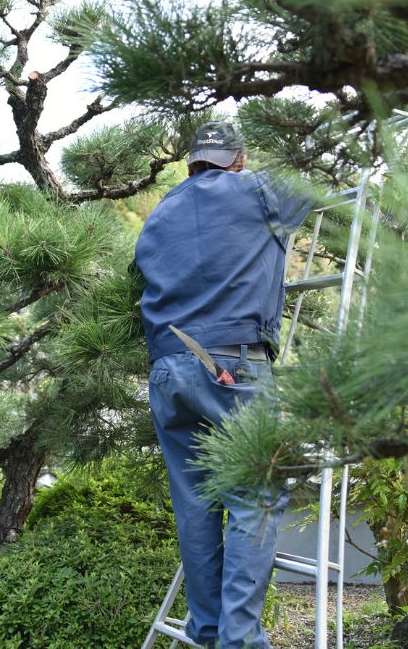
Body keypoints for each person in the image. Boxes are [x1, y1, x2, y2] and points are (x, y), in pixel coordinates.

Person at [134, 121, 314, 648]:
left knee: (195, 504)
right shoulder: (256, 189)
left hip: (168, 369)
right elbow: (324, 169)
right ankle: (240, 640)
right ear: (237, 160)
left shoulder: (160, 212)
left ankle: (208, 633)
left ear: (191, 163)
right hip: (230, 365)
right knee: (253, 497)